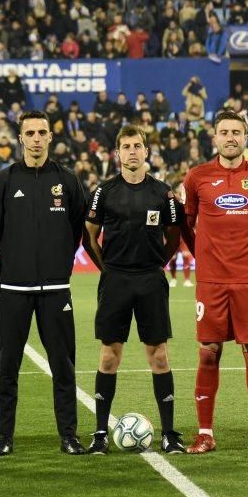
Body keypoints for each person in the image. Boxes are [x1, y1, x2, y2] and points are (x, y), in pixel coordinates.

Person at [181, 110, 248, 454]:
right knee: (208, 353)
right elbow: (187, 224)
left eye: (236, 132)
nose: (230, 137)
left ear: (245, 137)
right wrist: (203, 258)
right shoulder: (196, 178)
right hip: (211, 282)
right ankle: (204, 433)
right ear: (214, 138)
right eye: (224, 132)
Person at [0, 110, 87, 456]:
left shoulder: (69, 180)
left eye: (42, 132)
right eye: (30, 133)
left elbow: (76, 231)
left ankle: (69, 436)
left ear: (50, 137)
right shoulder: (3, 181)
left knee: (63, 365)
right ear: (20, 138)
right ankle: (5, 437)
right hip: (13, 289)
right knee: (6, 367)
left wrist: (57, 263)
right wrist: (16, 262)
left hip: (56, 289)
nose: (37, 138)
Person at [82, 125, 185, 455]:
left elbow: (174, 237)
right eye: (126, 146)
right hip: (115, 280)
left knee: (159, 356)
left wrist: (158, 265)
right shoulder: (104, 191)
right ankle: (100, 433)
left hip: (151, 280)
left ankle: (169, 432)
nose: (132, 151)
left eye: (137, 146)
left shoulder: (163, 193)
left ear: (146, 152)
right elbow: (89, 234)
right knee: (109, 356)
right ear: (117, 154)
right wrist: (108, 268)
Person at [169, 182, 194, 288]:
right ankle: (173, 279)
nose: (182, 188)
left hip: (184, 231)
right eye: (180, 186)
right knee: (172, 257)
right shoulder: (171, 200)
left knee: (186, 256)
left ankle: (187, 279)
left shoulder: (189, 200)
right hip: (173, 231)